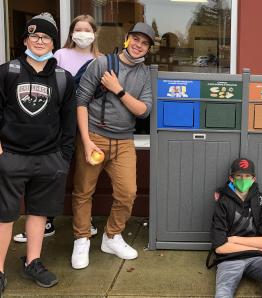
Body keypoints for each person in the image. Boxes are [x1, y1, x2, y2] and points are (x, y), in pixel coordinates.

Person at [0, 12, 76, 290]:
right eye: (34, 35)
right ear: (25, 40)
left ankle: (33, 261)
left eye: (45, 37)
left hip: (49, 160)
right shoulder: (7, 72)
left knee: (39, 212)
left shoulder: (63, 78)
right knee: (4, 213)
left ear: (53, 43)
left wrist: (63, 158)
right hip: (11, 156)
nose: (40, 41)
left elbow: (69, 123)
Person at [70, 22, 154, 269]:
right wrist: (85, 142)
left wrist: (118, 90)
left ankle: (112, 236)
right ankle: (81, 238)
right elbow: (81, 102)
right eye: (136, 39)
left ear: (148, 48)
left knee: (127, 193)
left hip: (124, 141)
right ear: (128, 39)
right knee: (83, 191)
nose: (139, 45)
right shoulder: (102, 64)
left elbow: (144, 111)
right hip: (94, 137)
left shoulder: (145, 75)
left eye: (145, 43)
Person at [13, 14, 101, 244]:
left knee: (82, 175)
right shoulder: (60, 55)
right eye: (78, 29)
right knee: (51, 174)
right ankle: (47, 221)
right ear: (71, 33)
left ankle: (84, 219)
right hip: (55, 122)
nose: (83, 34)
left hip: (86, 124)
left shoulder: (100, 58)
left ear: (94, 33)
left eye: (87, 29)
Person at [210, 158, 262, 298]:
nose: (243, 179)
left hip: (256, 258)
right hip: (229, 259)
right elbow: (219, 247)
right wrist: (256, 247)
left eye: (247, 176)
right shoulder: (223, 202)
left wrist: (232, 240)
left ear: (253, 178)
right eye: (238, 176)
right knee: (223, 292)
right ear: (231, 178)